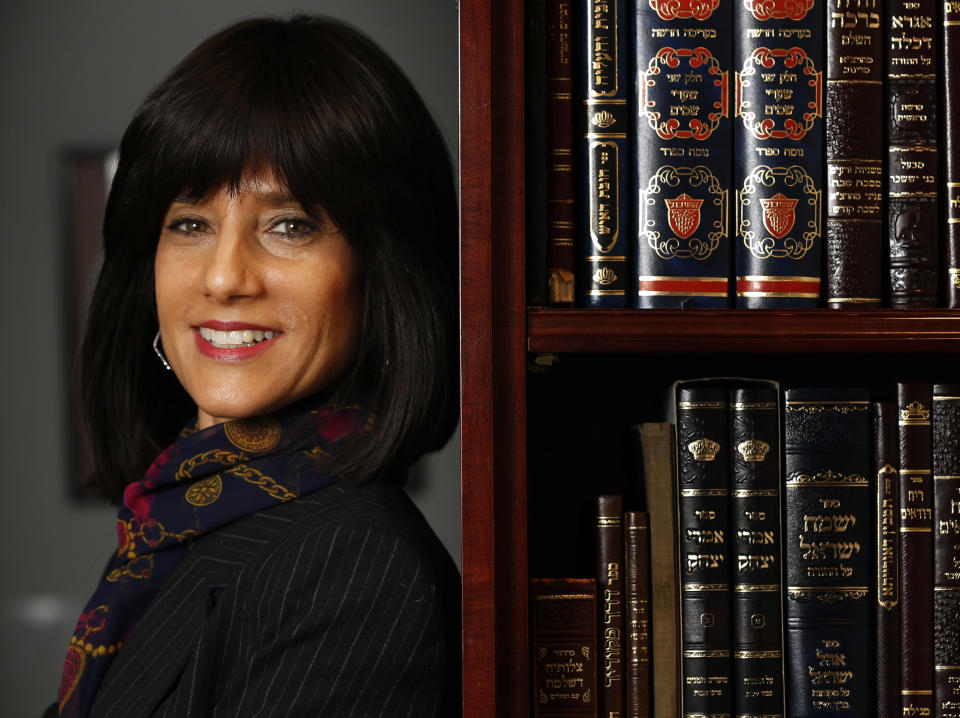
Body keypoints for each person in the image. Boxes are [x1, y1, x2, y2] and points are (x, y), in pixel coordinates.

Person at [45, 15, 460, 718]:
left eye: (289, 225)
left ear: (381, 272)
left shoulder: (352, 566)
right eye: (190, 224)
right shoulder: (178, 526)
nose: (225, 278)